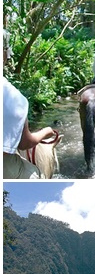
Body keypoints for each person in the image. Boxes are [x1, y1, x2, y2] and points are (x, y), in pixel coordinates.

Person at [3, 31, 57, 179]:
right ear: (4, 55)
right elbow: (25, 144)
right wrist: (46, 131)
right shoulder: (15, 99)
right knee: (37, 176)